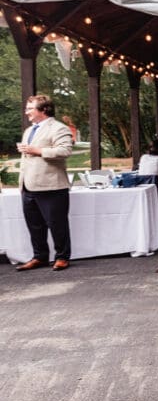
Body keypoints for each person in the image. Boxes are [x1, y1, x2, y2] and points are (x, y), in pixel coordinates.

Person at [15, 95, 74, 272]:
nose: (26, 112)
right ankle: (39, 256)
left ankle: (62, 257)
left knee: (57, 224)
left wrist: (38, 150)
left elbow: (65, 150)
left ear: (44, 110)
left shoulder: (58, 128)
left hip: (52, 185)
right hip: (28, 186)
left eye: (30, 109)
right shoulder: (28, 131)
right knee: (34, 225)